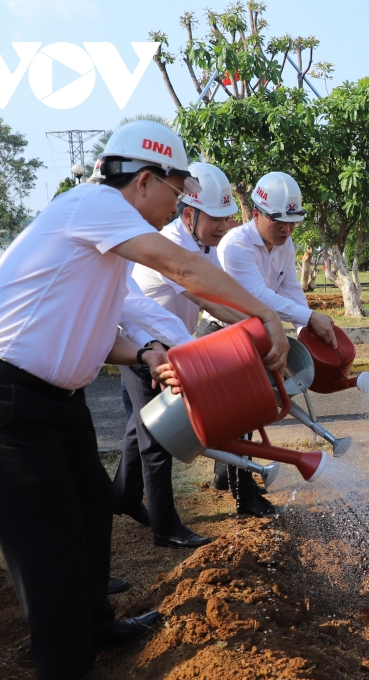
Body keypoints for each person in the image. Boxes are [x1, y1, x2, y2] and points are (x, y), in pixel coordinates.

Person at [0, 121, 290, 680]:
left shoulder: (103, 242)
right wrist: (263, 315)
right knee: (50, 537)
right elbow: (182, 268)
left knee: (89, 512)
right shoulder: (94, 204)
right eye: (177, 190)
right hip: (2, 395)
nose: (178, 205)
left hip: (54, 398)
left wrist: (151, 355)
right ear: (146, 180)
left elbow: (102, 331)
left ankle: (95, 625)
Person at [115, 161, 250, 547]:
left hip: (170, 346)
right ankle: (165, 527)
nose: (224, 227)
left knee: (139, 426)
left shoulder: (204, 246)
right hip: (145, 347)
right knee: (158, 436)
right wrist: (259, 324)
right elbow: (208, 298)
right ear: (189, 214)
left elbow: (221, 295)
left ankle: (121, 497)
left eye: (227, 218)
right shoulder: (172, 247)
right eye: (216, 219)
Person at [209, 170, 338, 515]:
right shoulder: (236, 246)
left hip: (256, 335)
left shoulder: (285, 244)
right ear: (256, 214)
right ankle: (245, 497)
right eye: (279, 221)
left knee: (245, 416)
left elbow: (290, 290)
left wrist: (307, 327)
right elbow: (258, 296)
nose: (286, 229)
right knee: (243, 413)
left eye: (292, 222)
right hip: (222, 335)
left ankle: (228, 475)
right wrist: (308, 317)